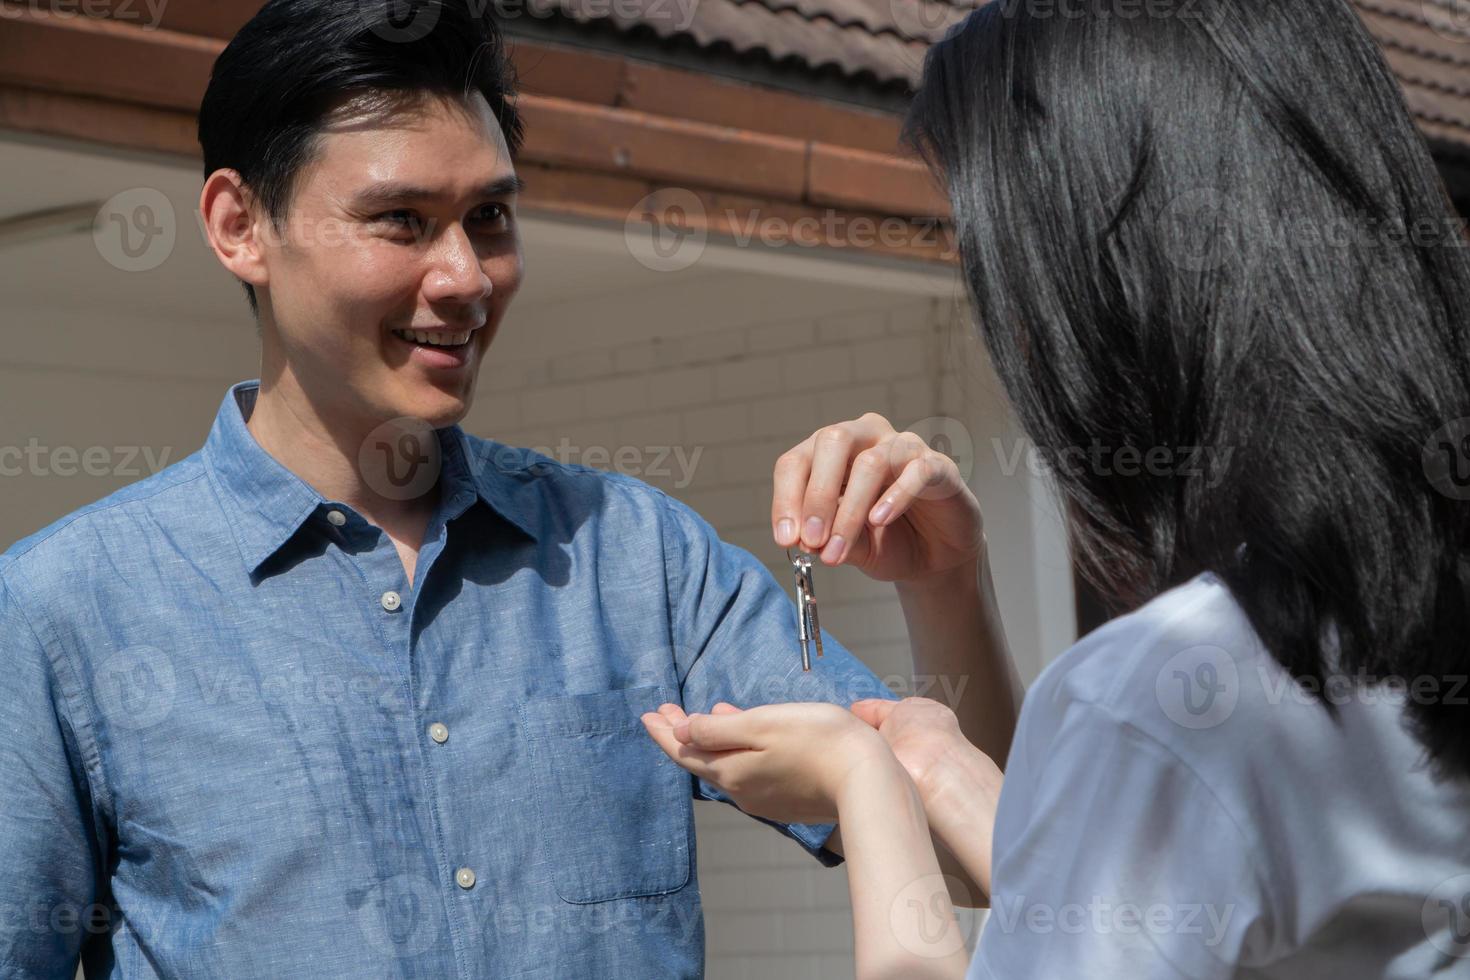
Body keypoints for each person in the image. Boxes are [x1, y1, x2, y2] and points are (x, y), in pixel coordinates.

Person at [0, 1, 1014, 976]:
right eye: (401, 219)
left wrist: (946, 581)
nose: (465, 276)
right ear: (239, 226)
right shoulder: (64, 613)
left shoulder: (636, 556)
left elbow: (987, 853)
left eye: (488, 216)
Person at [643, 0, 1470, 977]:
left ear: (1107, 279)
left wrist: (860, 782)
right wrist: (945, 654)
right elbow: (1154, 895)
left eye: (992, 265)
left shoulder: (1166, 698)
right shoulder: (1394, 609)